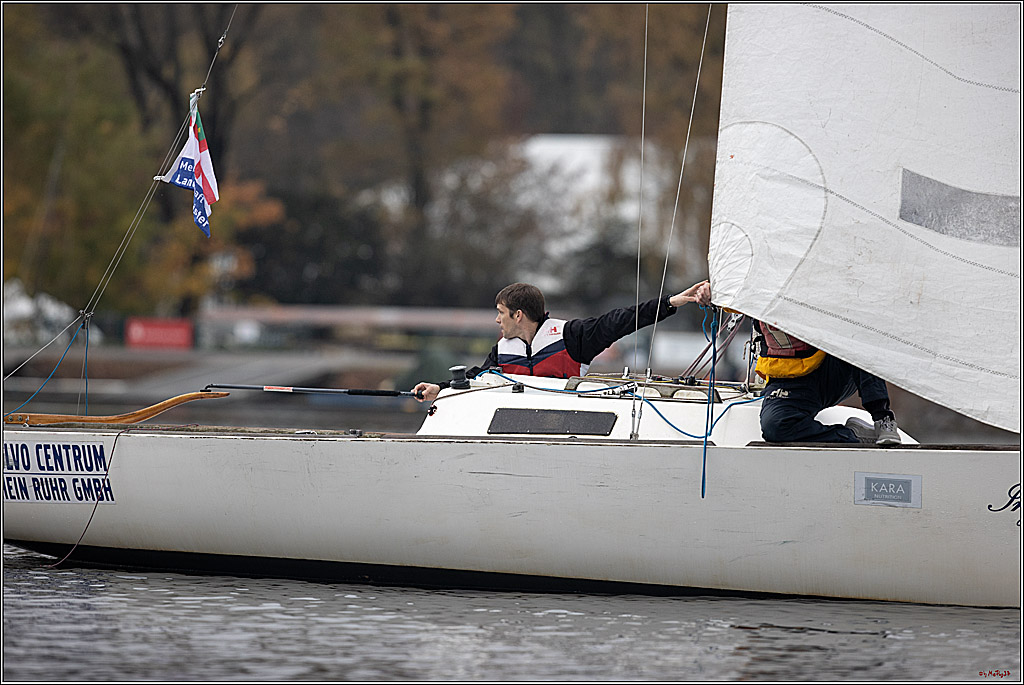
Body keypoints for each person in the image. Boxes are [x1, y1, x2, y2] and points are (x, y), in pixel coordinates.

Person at [412, 281, 712, 402]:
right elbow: (477, 377)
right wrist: (440, 387)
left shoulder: (572, 336)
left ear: (518, 315)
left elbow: (621, 319)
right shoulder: (502, 351)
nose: (496, 320)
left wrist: (671, 302)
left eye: (500, 313)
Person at [754, 320, 901, 445]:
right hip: (789, 382)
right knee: (775, 427)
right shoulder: (756, 297)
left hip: (830, 371)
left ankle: (883, 420)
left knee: (857, 329)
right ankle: (853, 436)